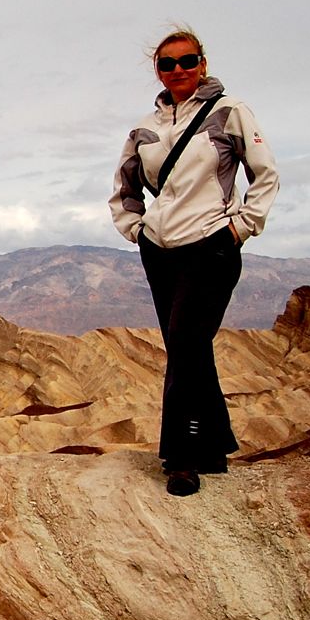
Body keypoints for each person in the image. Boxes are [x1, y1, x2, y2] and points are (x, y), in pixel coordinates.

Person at [109, 27, 279, 496]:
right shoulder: (146, 128)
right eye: (168, 64)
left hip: (210, 246)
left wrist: (240, 227)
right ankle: (215, 445)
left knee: (185, 343)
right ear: (158, 71)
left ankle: (180, 457)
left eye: (188, 61)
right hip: (160, 252)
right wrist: (136, 230)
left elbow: (265, 175)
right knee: (189, 349)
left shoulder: (230, 112)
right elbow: (125, 189)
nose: (179, 70)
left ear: (203, 63)